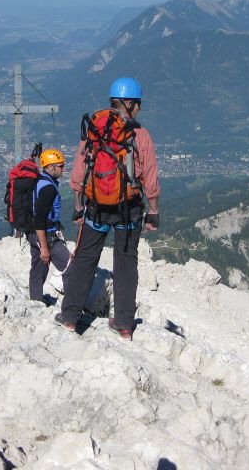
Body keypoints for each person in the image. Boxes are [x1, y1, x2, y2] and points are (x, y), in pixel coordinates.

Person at [55, 77, 160, 339]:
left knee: (85, 258)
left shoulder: (94, 129)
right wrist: (154, 211)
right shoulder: (140, 135)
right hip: (130, 209)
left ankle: (70, 317)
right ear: (130, 103)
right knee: (126, 263)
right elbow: (149, 175)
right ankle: (124, 324)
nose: (139, 109)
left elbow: (80, 171)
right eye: (138, 104)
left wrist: (79, 207)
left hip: (97, 208)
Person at [27, 148, 72, 304]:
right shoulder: (48, 188)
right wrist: (45, 247)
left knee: (39, 268)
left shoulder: (40, 181)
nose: (63, 168)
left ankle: (35, 301)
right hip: (46, 235)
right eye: (60, 166)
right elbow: (40, 218)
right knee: (70, 267)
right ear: (51, 167)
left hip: (33, 233)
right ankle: (71, 308)